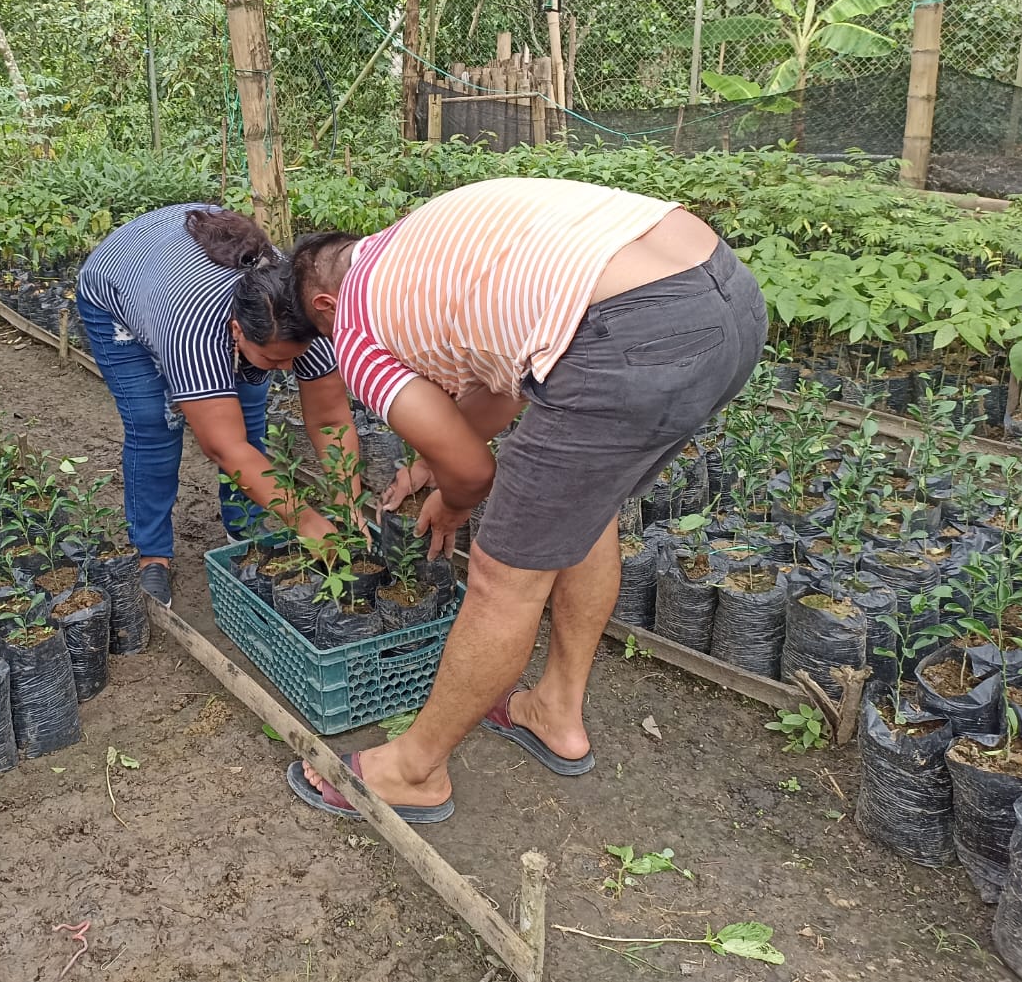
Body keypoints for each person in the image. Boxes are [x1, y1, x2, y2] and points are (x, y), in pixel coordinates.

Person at [285, 176, 767, 823]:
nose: (332, 345)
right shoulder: (421, 243)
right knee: (587, 508)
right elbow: (504, 384)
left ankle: (414, 769)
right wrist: (427, 466)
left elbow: (473, 471)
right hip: (728, 294)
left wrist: (453, 498)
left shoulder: (354, 326)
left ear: (325, 304)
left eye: (320, 332)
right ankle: (554, 711)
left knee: (501, 578)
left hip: (635, 333)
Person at [76, 204, 363, 608]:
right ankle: (151, 554)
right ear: (237, 331)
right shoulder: (192, 326)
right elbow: (223, 447)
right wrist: (307, 521)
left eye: (292, 359)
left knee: (248, 413)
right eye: (274, 360)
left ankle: (244, 529)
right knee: (155, 423)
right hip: (120, 283)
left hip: (181, 266)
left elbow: (331, 420)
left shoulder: (301, 319)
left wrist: (348, 504)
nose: (286, 369)